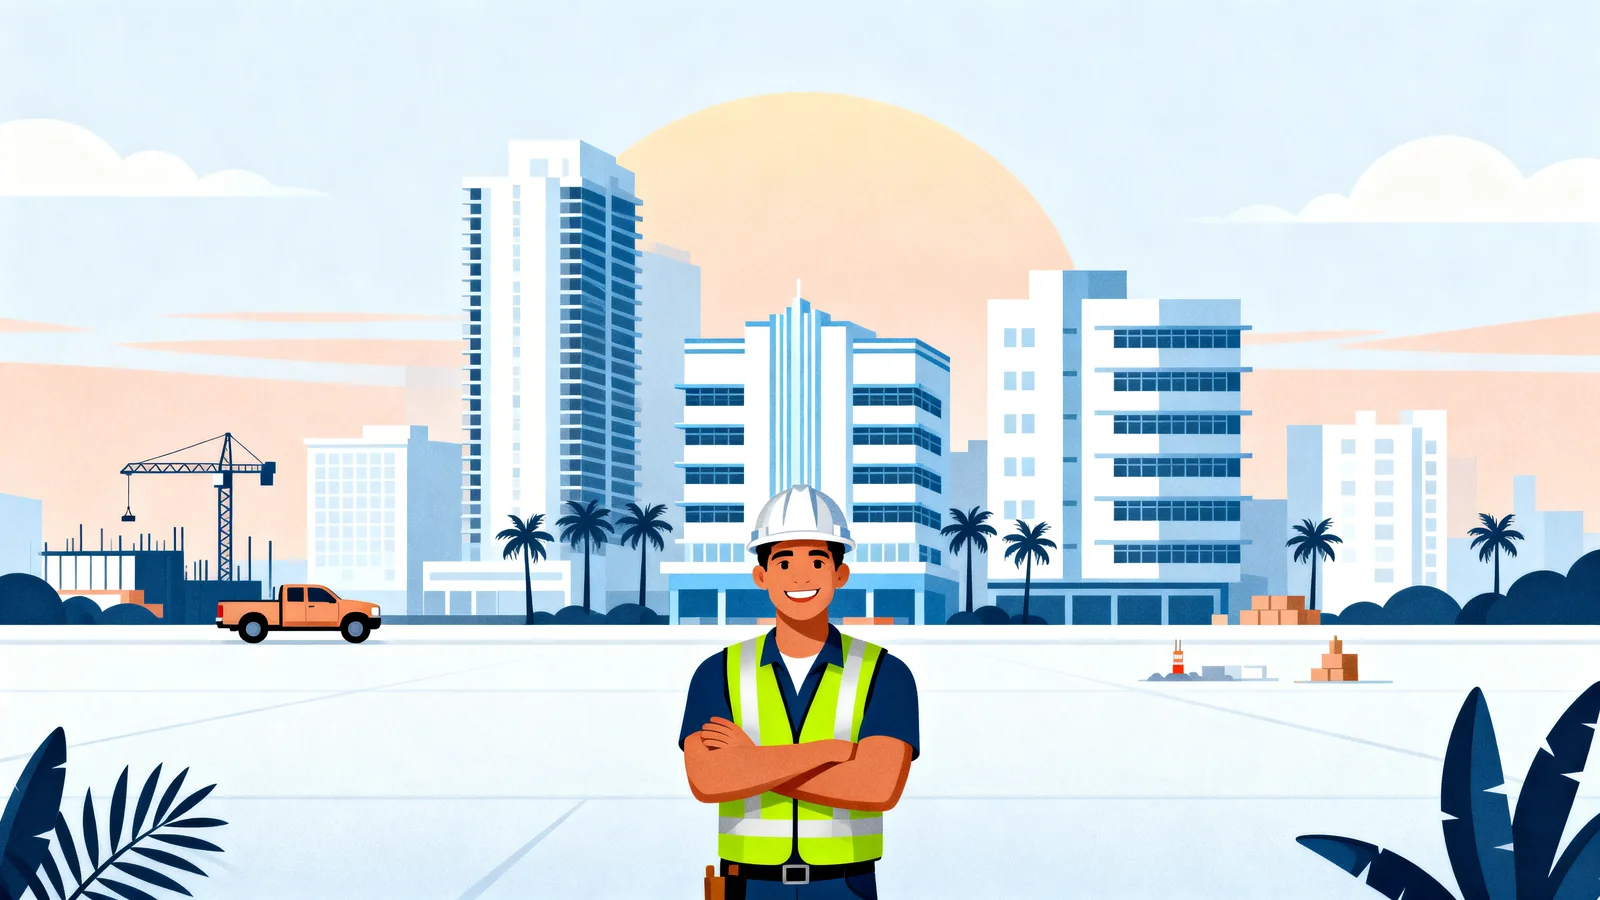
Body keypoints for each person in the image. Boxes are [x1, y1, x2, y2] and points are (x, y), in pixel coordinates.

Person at [680, 485, 919, 899]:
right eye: (784, 560)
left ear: (839, 574)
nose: (801, 575)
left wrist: (751, 764)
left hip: (846, 883)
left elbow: (877, 787)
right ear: (762, 576)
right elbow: (708, 779)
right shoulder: (716, 672)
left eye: (817, 560)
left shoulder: (886, 672)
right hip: (745, 882)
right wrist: (827, 751)